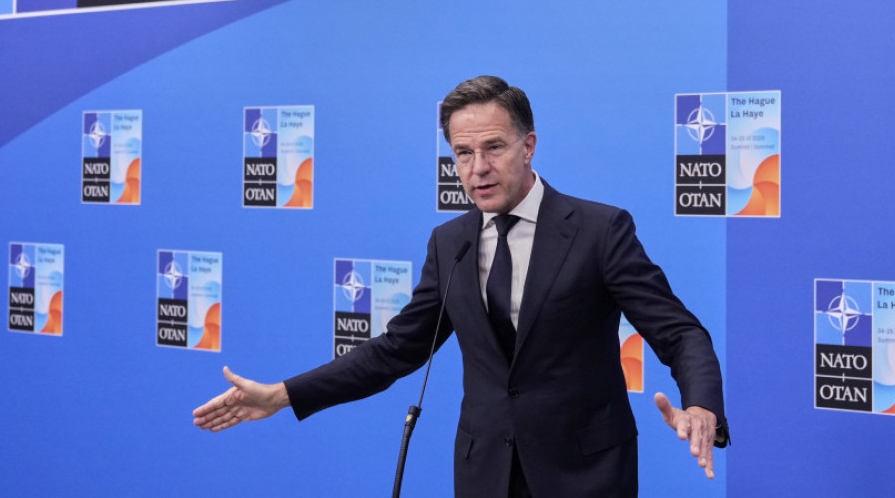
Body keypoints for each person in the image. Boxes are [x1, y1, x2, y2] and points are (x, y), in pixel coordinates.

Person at [194, 76, 729, 496]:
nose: (478, 169)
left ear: (529, 146)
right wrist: (284, 395)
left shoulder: (598, 230)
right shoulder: (450, 242)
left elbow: (680, 332)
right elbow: (397, 349)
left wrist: (701, 405)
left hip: (585, 474)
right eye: (463, 153)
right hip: (485, 474)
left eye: (493, 147)